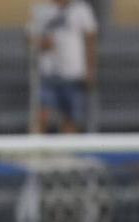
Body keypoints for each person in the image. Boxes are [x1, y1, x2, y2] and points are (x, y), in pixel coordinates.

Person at [31, 0, 97, 133]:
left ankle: (68, 151)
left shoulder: (81, 9)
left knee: (72, 117)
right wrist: (41, 43)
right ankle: (39, 150)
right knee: (43, 114)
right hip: (48, 73)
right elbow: (30, 37)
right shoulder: (42, 9)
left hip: (73, 73)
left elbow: (91, 39)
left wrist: (90, 69)